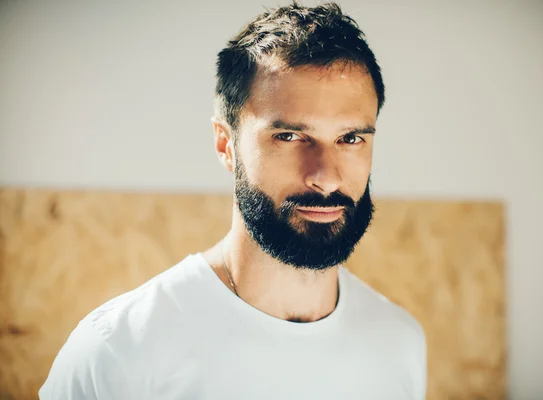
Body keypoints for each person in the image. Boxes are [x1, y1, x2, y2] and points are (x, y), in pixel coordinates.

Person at [39, 2, 427, 399]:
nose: (326, 176)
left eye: (350, 138)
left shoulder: (398, 344)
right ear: (226, 145)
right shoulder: (119, 351)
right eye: (289, 136)